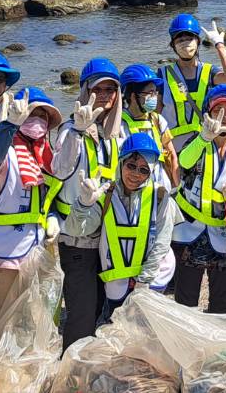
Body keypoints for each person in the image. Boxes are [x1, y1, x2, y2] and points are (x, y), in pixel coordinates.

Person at [0, 86, 63, 321]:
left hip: (33, 247)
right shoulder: (5, 151)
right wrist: (10, 124)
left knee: (27, 320)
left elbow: (50, 197)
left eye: (43, 116)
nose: (37, 120)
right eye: (32, 114)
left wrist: (52, 218)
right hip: (0, 252)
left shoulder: (46, 157)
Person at [50, 58, 129, 347]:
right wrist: (79, 132)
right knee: (81, 313)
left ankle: (88, 367)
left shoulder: (118, 132)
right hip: (78, 240)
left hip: (109, 238)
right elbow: (59, 169)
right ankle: (70, 373)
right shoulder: (71, 129)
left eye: (111, 90)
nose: (106, 96)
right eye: (99, 89)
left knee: (101, 309)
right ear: (85, 91)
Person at [68, 131, 177, 324]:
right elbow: (77, 230)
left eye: (144, 170)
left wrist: (144, 281)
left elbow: (162, 241)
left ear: (152, 172)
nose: (136, 174)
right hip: (117, 278)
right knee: (117, 331)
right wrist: (82, 204)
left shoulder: (161, 197)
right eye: (131, 165)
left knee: (146, 333)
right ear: (121, 163)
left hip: (152, 277)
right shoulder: (104, 194)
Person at [171, 84, 226, 314]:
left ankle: (218, 344)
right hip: (190, 230)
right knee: (186, 296)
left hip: (223, 233)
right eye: (218, 110)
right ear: (208, 114)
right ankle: (184, 343)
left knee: (221, 298)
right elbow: (183, 162)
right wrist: (204, 137)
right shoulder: (198, 140)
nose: (225, 116)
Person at [160, 14, 226, 152]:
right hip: (172, 147)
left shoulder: (209, 72)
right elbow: (157, 113)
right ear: (173, 45)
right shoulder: (163, 74)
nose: (185, 43)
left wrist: (219, 45)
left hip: (204, 144)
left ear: (198, 41)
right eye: (180, 40)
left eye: (190, 38)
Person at [120, 63, 179, 186]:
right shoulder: (119, 124)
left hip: (160, 189)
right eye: (150, 93)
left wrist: (176, 187)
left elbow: (172, 155)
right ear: (133, 95)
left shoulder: (158, 120)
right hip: (131, 189)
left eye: (155, 92)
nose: (155, 97)